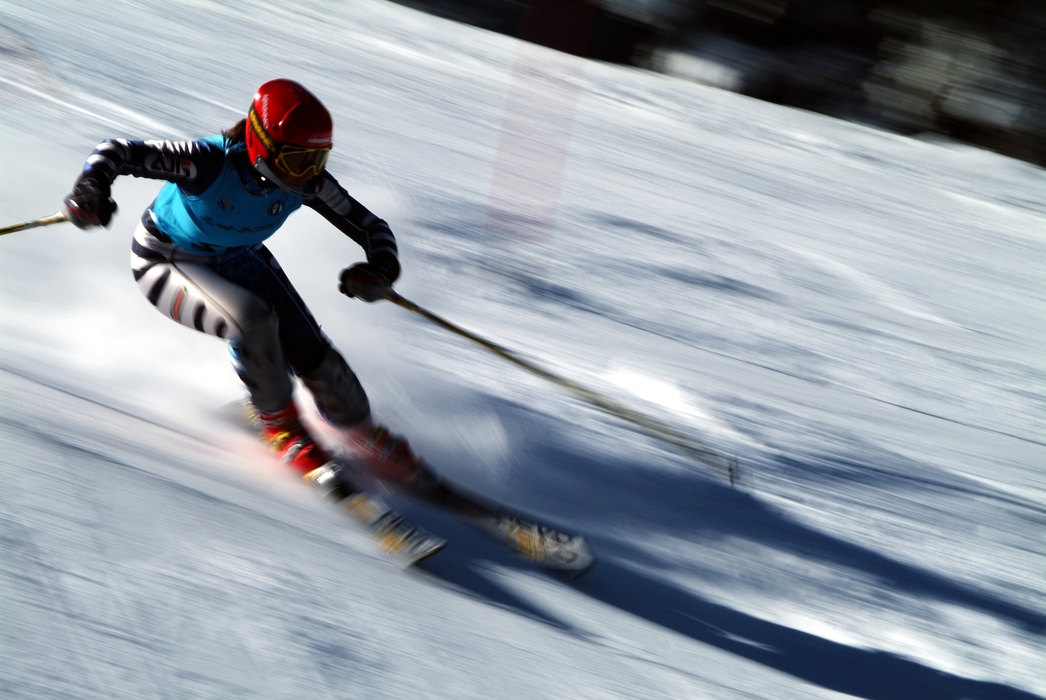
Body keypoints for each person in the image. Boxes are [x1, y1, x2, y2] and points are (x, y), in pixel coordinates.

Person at [63, 79, 419, 482]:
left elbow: (373, 228)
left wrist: (380, 269)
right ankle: (282, 427)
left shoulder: (308, 183)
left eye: (317, 160)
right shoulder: (207, 162)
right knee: (253, 322)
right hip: (165, 259)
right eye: (296, 160)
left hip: (239, 257)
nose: (306, 175)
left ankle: (360, 432)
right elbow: (117, 151)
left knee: (316, 357)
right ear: (261, 143)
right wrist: (91, 188)